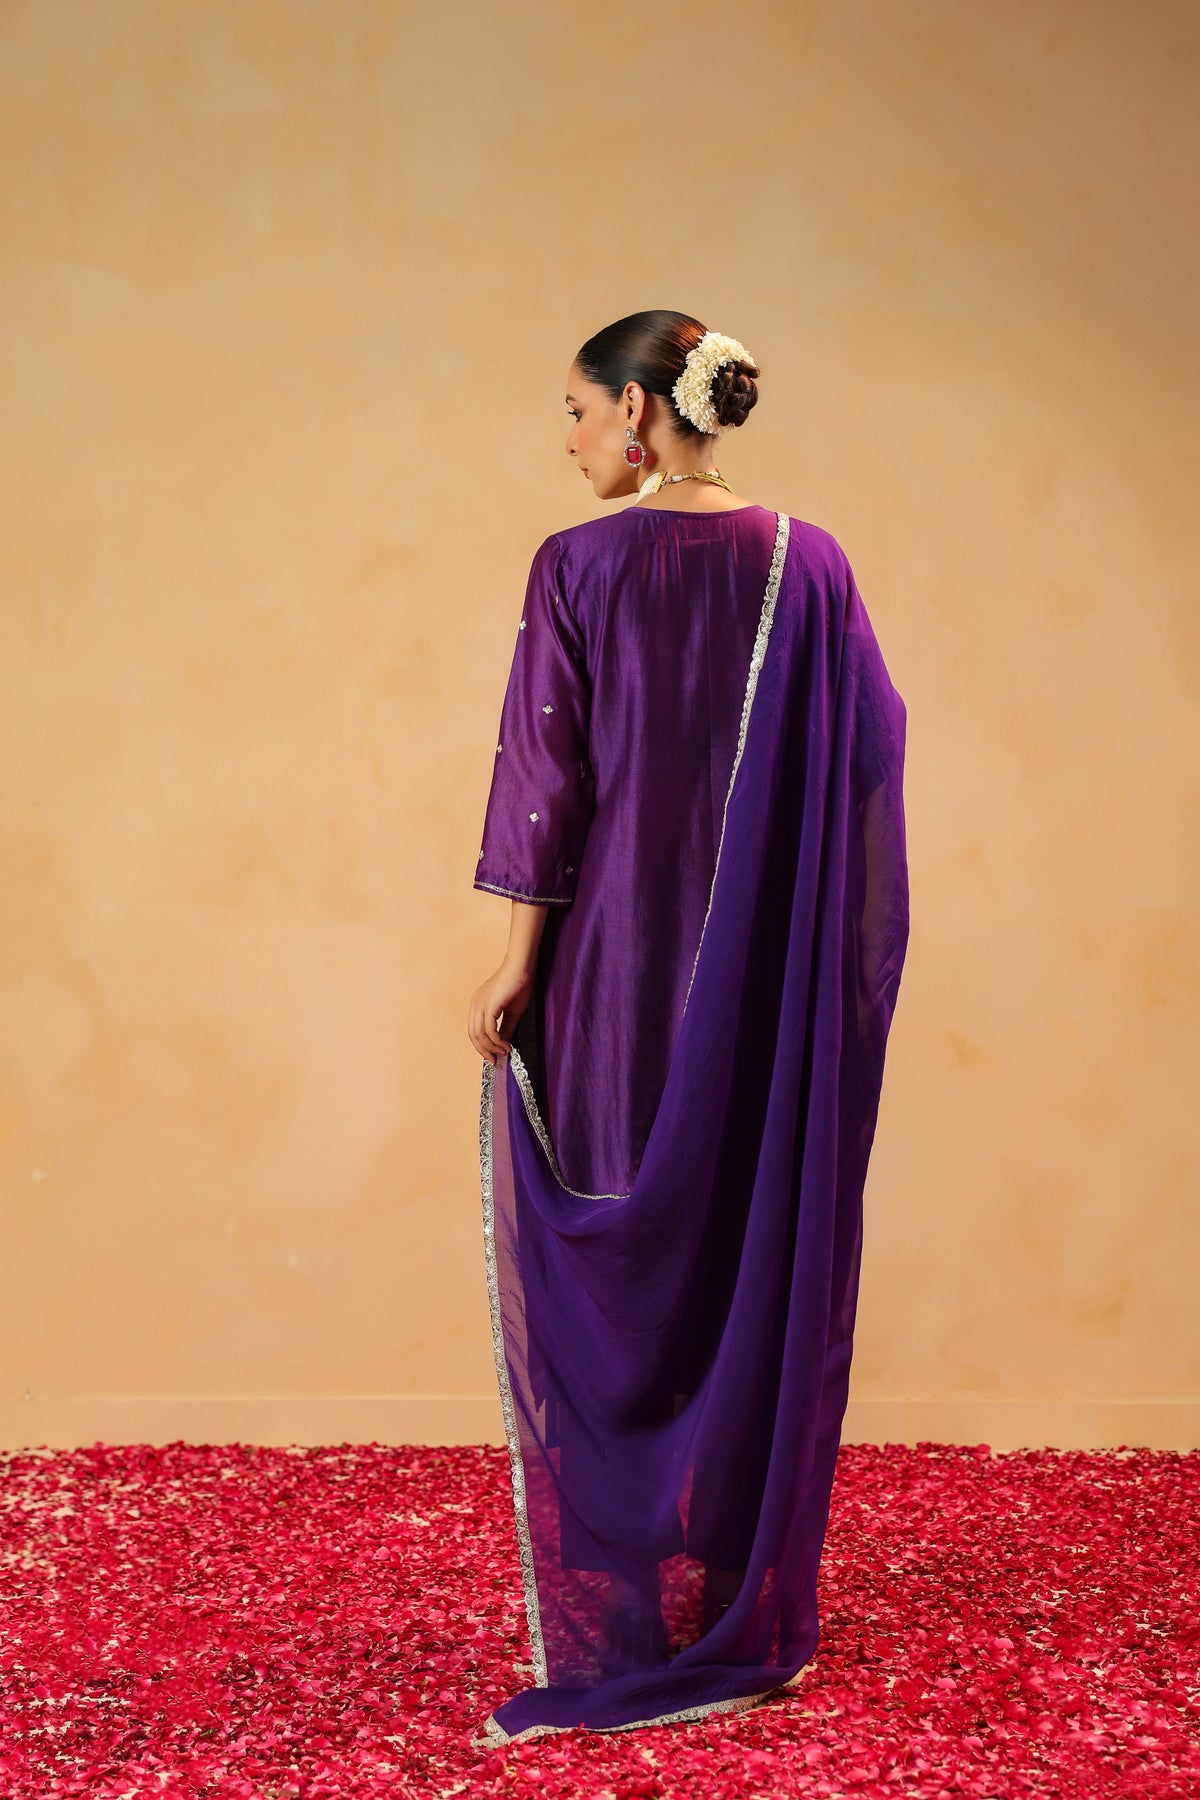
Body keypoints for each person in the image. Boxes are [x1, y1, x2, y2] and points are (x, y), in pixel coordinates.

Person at [466, 310, 910, 1744]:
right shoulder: (810, 565)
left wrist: (515, 964)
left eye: (579, 409)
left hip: (615, 965)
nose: (571, 438)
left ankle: (620, 1602)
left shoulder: (578, 566)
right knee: (740, 1247)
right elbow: (872, 754)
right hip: (762, 980)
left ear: (641, 412)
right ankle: (740, 1592)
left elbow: (548, 779)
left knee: (620, 1264)